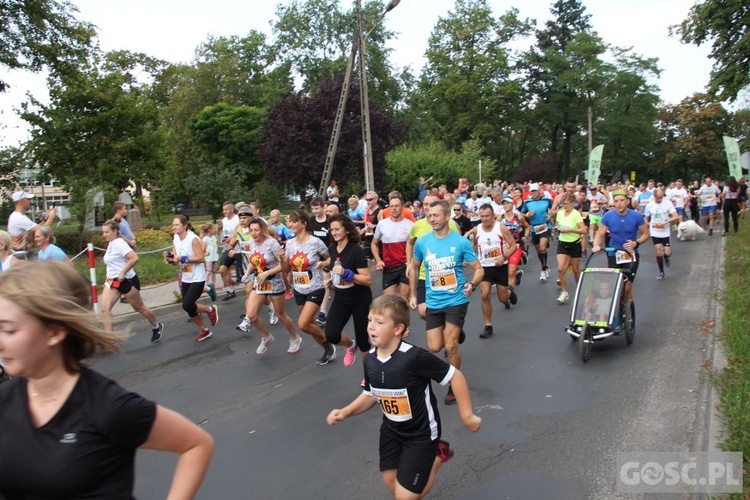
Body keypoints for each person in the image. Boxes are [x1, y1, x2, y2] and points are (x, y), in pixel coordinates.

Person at [0, 261, 214, 498]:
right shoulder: (5, 399)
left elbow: (195, 444)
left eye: (8, 330)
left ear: (54, 331)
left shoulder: (106, 406)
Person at [326, 295, 481, 499]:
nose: (371, 327)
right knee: (391, 483)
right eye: (369, 320)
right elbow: (371, 395)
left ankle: (434, 458)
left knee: (405, 496)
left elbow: (455, 376)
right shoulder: (370, 359)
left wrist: (467, 415)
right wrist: (345, 412)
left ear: (398, 329)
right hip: (391, 431)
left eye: (379, 322)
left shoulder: (414, 357)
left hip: (421, 434)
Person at [409, 200, 483, 405]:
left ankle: (454, 383)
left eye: (436, 215)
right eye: (429, 215)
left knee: (450, 347)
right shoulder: (423, 242)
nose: (431, 218)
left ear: (447, 217)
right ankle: (458, 331)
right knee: (434, 347)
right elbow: (414, 267)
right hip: (434, 300)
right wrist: (414, 295)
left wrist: (472, 284)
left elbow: (478, 268)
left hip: (456, 299)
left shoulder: (460, 242)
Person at [241, 217, 302, 355]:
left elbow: (284, 266)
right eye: (251, 230)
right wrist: (247, 272)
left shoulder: (272, 243)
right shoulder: (252, 242)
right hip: (261, 282)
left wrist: (267, 272)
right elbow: (254, 259)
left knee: (281, 315)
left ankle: (295, 337)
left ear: (262, 229)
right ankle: (266, 337)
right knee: (251, 314)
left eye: (256, 230)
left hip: (274, 282)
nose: (254, 233)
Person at [280, 210, 334, 361]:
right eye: (289, 221)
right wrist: (282, 258)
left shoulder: (315, 242)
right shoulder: (290, 243)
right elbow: (286, 269)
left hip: (315, 287)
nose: (290, 224)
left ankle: (328, 343)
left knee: (303, 324)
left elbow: (331, 258)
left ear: (303, 224)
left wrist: (324, 263)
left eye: (293, 221)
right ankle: (327, 348)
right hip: (298, 288)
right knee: (311, 324)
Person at [100, 220, 163, 341]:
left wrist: (122, 272)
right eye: (103, 232)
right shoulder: (112, 243)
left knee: (139, 308)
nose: (104, 235)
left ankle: (156, 326)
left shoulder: (119, 244)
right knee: (105, 309)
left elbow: (134, 258)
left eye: (106, 232)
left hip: (126, 281)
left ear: (115, 231)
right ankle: (108, 339)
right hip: (112, 281)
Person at [322, 214, 372, 367]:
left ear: (347, 230)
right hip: (342, 298)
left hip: (360, 299)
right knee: (331, 333)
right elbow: (336, 273)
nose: (334, 232)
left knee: (364, 340)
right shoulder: (332, 249)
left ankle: (369, 377)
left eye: (337, 229)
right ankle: (350, 345)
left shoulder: (355, 250)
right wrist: (331, 283)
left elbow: (367, 279)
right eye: (332, 230)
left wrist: (347, 274)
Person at [464, 204, 516, 339]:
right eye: (482, 216)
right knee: (485, 294)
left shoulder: (501, 227)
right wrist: (467, 258)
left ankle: (509, 292)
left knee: (502, 298)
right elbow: (472, 247)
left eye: (487, 216)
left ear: (493, 215)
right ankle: (488, 325)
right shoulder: (477, 230)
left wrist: (504, 256)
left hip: (500, 266)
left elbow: (513, 245)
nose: (485, 219)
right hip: (484, 267)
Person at [165, 215, 218, 342]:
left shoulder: (192, 239)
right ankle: (204, 330)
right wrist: (171, 260)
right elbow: (176, 258)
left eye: (177, 225)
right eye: (173, 225)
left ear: (185, 225)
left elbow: (200, 258)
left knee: (187, 304)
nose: (174, 227)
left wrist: (182, 259)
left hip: (197, 277)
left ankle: (210, 309)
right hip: (186, 276)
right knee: (188, 307)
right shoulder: (176, 239)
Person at [592, 189, 649, 303]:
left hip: (630, 254)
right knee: (615, 285)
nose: (619, 203)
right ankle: (617, 310)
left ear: (627, 201)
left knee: (627, 286)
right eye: (616, 201)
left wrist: (636, 243)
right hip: (614, 254)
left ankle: (627, 312)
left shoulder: (636, 216)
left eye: (622, 200)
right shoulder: (608, 216)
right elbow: (600, 233)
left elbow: (646, 234)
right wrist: (596, 245)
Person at [372, 195, 414, 299]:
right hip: (389, 266)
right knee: (389, 301)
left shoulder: (410, 225)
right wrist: (378, 260)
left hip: (405, 266)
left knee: (404, 299)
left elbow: (415, 245)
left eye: (396, 206)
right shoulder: (382, 224)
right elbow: (374, 244)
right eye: (391, 206)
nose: (394, 208)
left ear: (402, 207)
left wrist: (411, 262)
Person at [554, 193, 587, 304]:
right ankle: (564, 292)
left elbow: (583, 230)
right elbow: (557, 225)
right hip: (563, 243)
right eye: (563, 204)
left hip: (574, 243)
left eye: (567, 204)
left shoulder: (576, 214)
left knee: (576, 269)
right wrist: (558, 228)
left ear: (573, 203)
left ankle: (580, 289)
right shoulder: (560, 213)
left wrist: (570, 230)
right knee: (560, 268)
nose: (565, 206)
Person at [521, 183, 553, 282]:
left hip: (545, 226)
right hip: (535, 227)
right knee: (539, 250)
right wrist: (527, 214)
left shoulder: (547, 200)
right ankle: (545, 266)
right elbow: (522, 214)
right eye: (532, 191)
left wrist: (551, 216)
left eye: (535, 191)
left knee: (543, 247)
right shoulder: (527, 202)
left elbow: (554, 209)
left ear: (540, 191)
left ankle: (543, 270)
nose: (534, 193)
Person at [644, 189, 679, 280]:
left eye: (661, 197)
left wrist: (666, 222)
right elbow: (646, 218)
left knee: (668, 252)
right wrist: (648, 224)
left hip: (665, 231)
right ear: (654, 196)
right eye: (658, 198)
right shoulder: (649, 205)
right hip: (655, 231)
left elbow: (676, 216)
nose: (660, 199)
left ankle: (666, 256)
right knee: (659, 251)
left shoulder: (668, 203)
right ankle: (661, 272)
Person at [218, 201, 242, 301]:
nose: (224, 211)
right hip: (229, 249)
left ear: (232, 209)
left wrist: (232, 239)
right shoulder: (224, 221)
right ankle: (230, 291)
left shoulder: (238, 219)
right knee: (222, 270)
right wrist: (223, 239)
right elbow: (226, 234)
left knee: (243, 276)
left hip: (240, 250)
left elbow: (240, 233)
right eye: (223, 210)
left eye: (226, 209)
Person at [201, 222, 220, 290]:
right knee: (209, 271)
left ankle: (214, 284)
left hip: (214, 257)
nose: (215, 230)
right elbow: (202, 250)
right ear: (209, 230)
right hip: (209, 258)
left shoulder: (214, 237)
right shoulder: (205, 239)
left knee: (214, 271)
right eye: (213, 228)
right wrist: (206, 253)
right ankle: (205, 285)